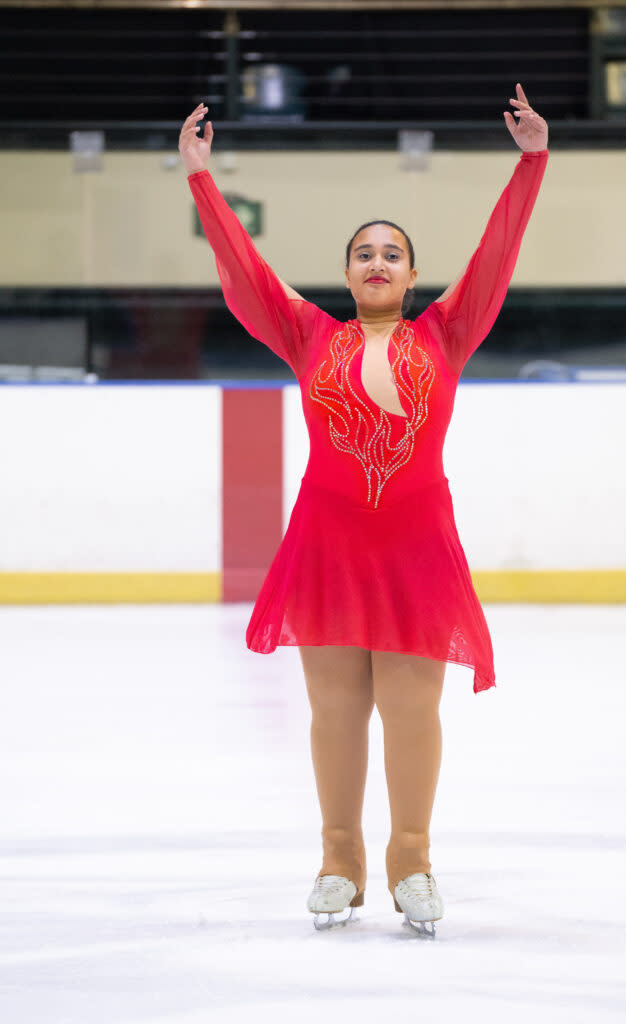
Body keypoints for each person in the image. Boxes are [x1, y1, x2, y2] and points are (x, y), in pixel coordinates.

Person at [179, 83, 549, 936]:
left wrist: (530, 163)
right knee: (336, 708)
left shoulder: (444, 334)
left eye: (392, 254)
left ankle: (411, 859)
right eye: (362, 254)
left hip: (416, 543)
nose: (377, 262)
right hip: (330, 541)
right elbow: (245, 275)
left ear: (413, 276)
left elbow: (495, 255)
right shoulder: (309, 334)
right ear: (346, 275)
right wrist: (201, 181)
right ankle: (337, 859)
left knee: (413, 707)